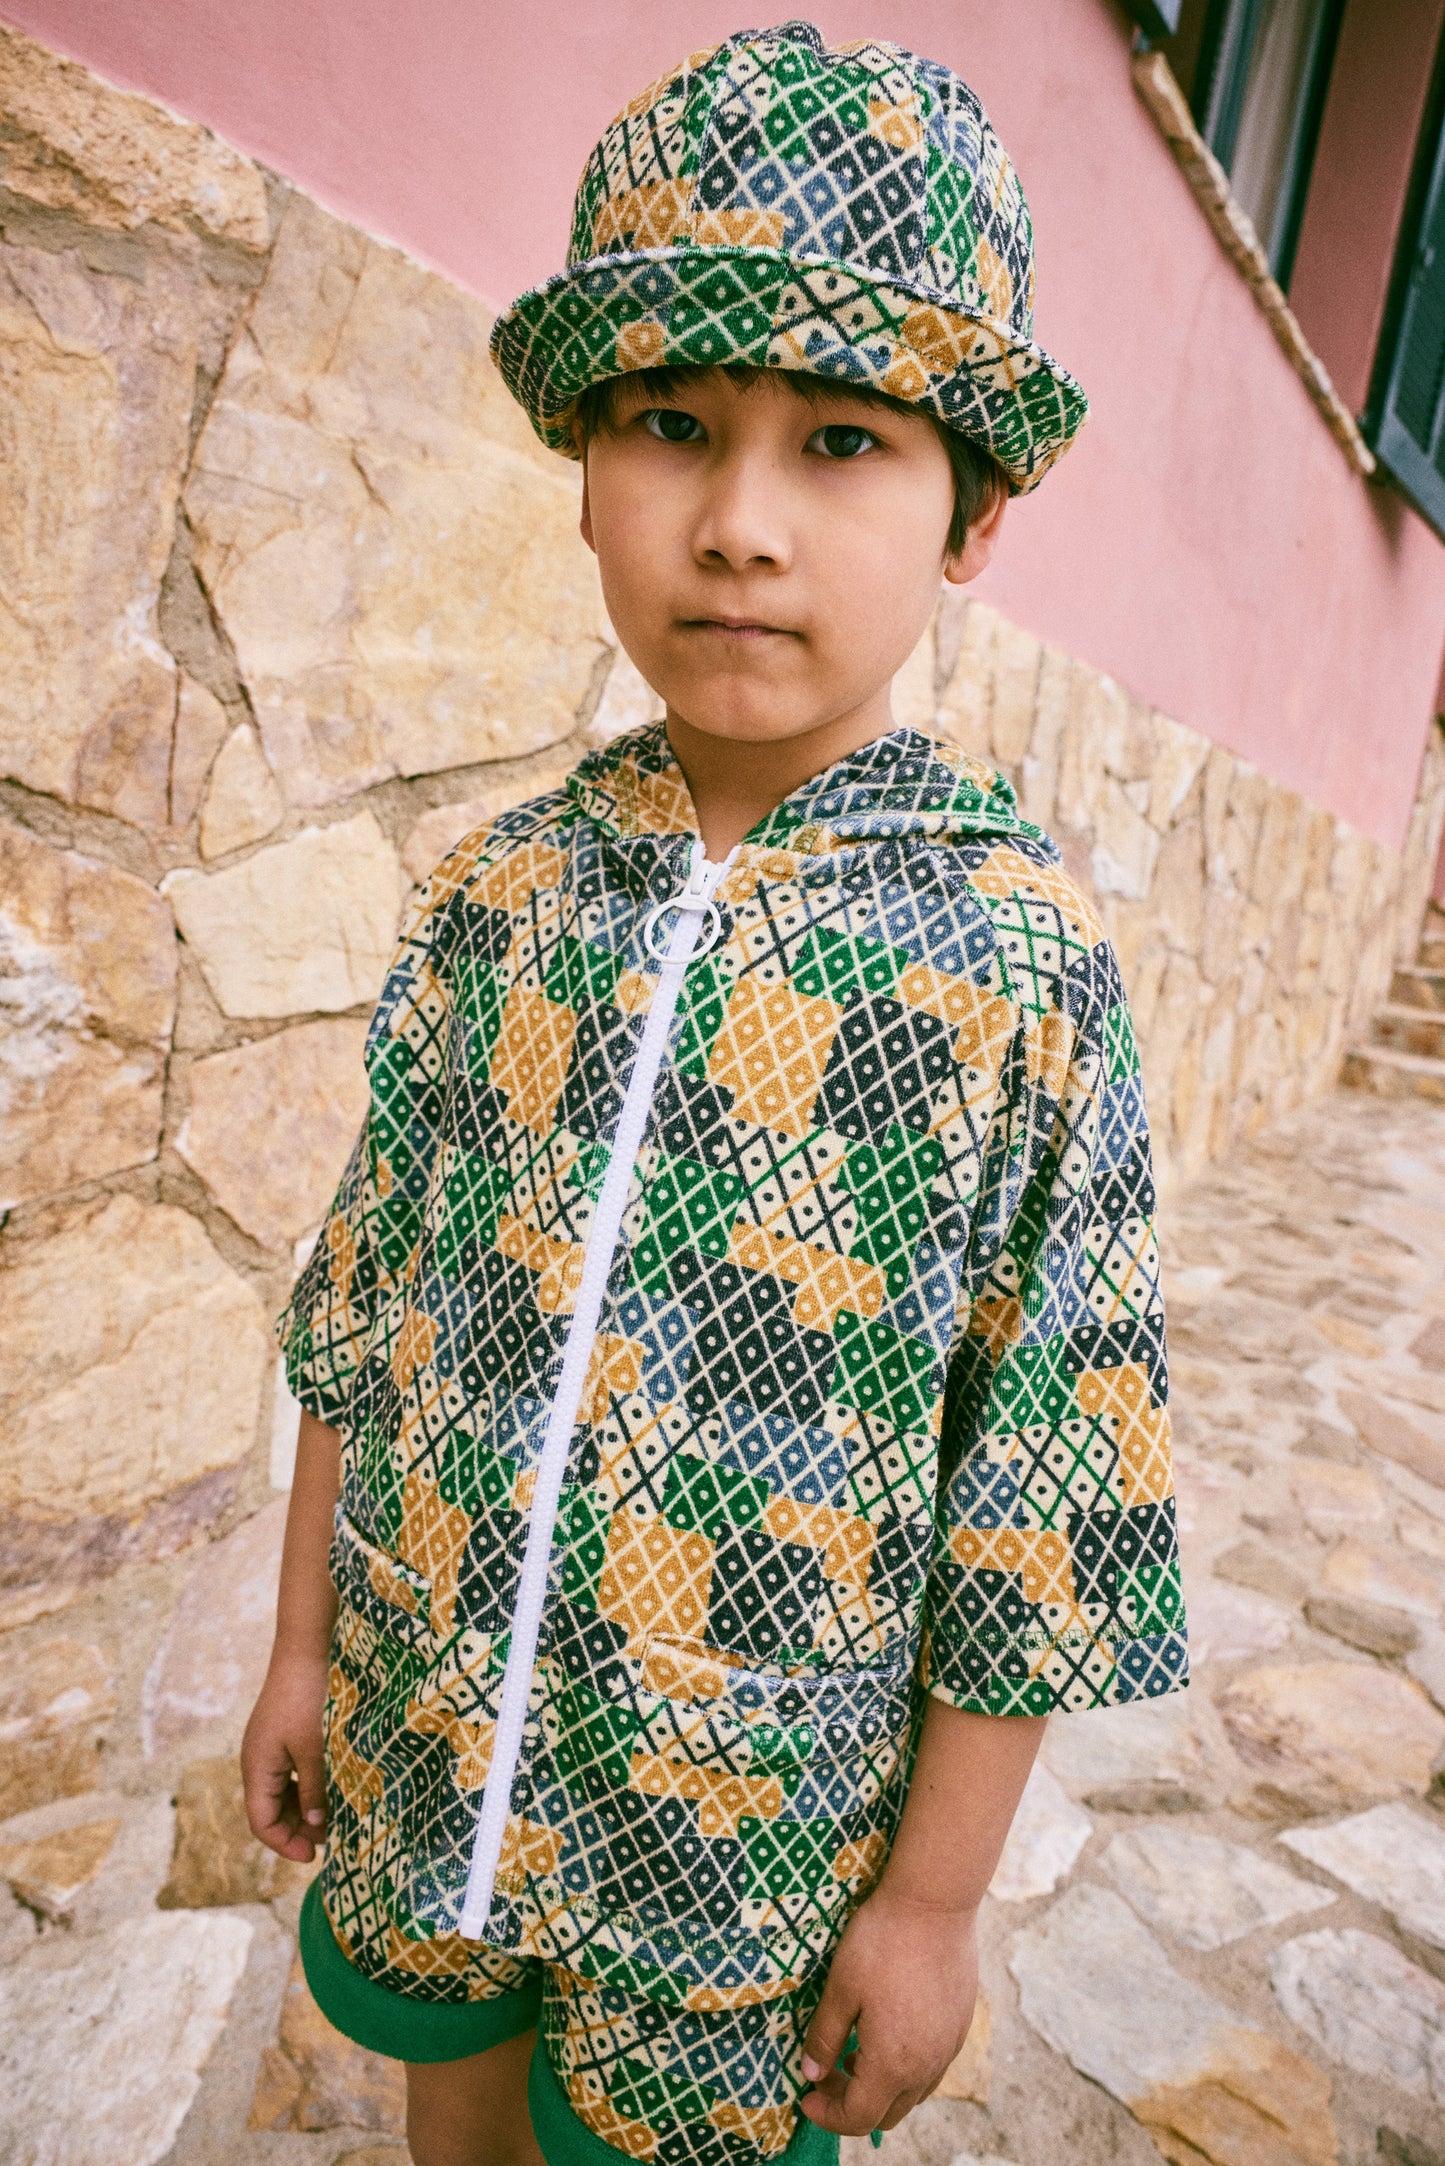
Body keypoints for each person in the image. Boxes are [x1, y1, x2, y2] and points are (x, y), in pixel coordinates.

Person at [243, 23, 1187, 2166]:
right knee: (454, 2127)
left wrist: (930, 1906)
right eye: (672, 425)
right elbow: (367, 1303)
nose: (741, 524)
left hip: (739, 1877)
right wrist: (303, 1646)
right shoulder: (501, 897)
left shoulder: (1016, 969)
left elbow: (1044, 1485)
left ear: (974, 513)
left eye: (842, 442)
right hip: (430, 1743)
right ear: (590, 472)